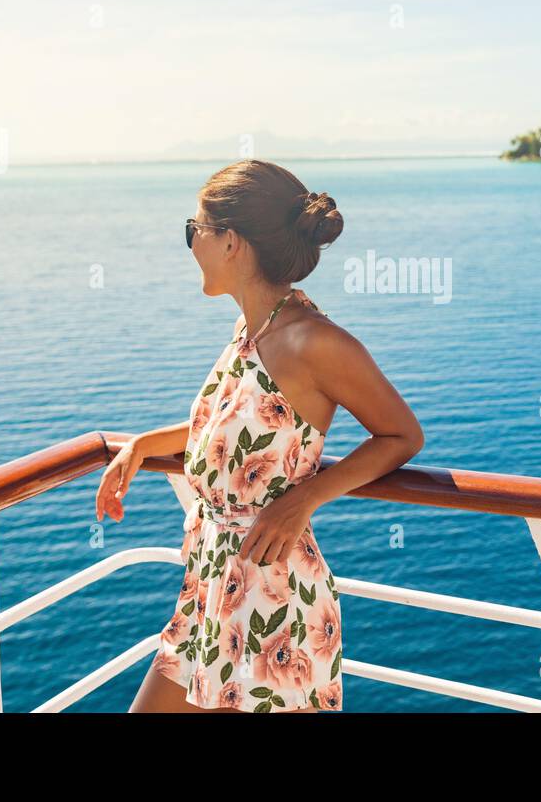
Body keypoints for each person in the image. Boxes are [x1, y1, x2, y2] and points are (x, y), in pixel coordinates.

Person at [97, 158, 424, 713]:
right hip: (209, 590)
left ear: (231, 242)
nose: (189, 246)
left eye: (192, 231)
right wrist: (144, 445)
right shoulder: (253, 329)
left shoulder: (312, 342)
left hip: (272, 604)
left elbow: (400, 435)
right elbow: (244, 426)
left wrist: (307, 496)